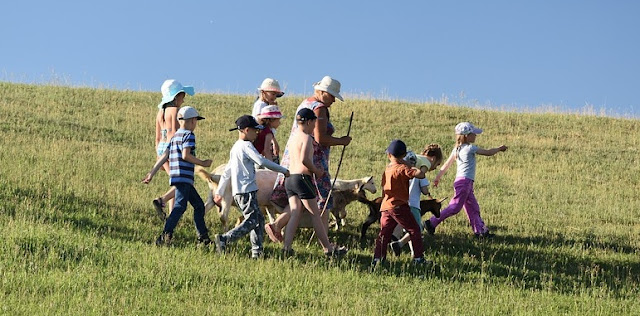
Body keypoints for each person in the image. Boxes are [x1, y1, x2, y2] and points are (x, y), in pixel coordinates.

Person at [266, 76, 351, 243]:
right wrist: (342, 141)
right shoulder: (319, 108)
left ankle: (278, 225)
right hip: (313, 162)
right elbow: (320, 138)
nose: (333, 100)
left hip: (294, 159)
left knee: (297, 199)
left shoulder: (305, 104)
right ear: (321, 92)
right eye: (331, 95)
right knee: (322, 203)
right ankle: (326, 243)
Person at [213, 115, 290, 259]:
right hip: (246, 190)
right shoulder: (246, 146)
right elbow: (260, 160)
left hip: (241, 191)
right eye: (255, 130)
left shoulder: (235, 147)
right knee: (252, 220)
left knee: (259, 220)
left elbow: (227, 172)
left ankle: (257, 252)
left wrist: (219, 191)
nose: (257, 133)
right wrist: (283, 170)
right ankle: (225, 239)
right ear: (246, 130)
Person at [281, 108, 348, 257]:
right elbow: (305, 160)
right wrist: (317, 171)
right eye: (314, 123)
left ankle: (286, 247)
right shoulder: (306, 138)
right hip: (302, 179)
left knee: (295, 213)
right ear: (310, 121)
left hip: (290, 179)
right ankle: (328, 249)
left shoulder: (293, 137)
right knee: (315, 214)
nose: (314, 127)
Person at [142, 106, 212, 246]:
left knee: (198, 205)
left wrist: (152, 172)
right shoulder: (189, 135)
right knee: (180, 207)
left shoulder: (175, 136)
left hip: (177, 177)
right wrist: (203, 163)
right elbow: (186, 155)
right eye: (196, 121)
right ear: (192, 121)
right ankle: (165, 236)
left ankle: (203, 237)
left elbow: (164, 156)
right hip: (184, 177)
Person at [425, 122, 508, 238]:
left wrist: (438, 177)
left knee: (473, 207)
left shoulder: (457, 149)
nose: (475, 136)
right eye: (473, 134)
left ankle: (480, 232)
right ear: (467, 136)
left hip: (463, 182)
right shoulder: (470, 148)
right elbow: (488, 152)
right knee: (454, 207)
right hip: (465, 183)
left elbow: (446, 165)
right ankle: (431, 222)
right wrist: (499, 149)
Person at [372, 139, 428, 267]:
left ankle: (378, 259)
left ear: (389, 155)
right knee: (414, 229)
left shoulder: (388, 169)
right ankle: (418, 259)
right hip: (399, 206)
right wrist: (413, 166)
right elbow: (420, 175)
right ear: (403, 155)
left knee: (384, 234)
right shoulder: (402, 169)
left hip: (386, 206)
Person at [389, 145, 443, 256]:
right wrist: (428, 192)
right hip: (413, 205)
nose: (435, 167)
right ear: (432, 159)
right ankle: (399, 244)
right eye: (437, 164)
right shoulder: (420, 175)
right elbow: (424, 190)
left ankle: (413, 253)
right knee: (418, 229)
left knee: (409, 229)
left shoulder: (406, 171)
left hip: (401, 202)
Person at [152, 79, 195, 220]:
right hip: (172, 148)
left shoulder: (161, 112)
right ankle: (162, 200)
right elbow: (176, 133)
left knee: (175, 181)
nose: (183, 100)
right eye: (182, 96)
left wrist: (159, 155)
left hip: (161, 148)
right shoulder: (176, 111)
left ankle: (171, 215)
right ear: (176, 97)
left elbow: (158, 137)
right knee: (182, 182)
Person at [252, 78, 284, 163]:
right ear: (263, 92)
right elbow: (261, 123)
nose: (274, 97)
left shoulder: (265, 104)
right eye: (272, 94)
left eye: (276, 95)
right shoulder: (260, 105)